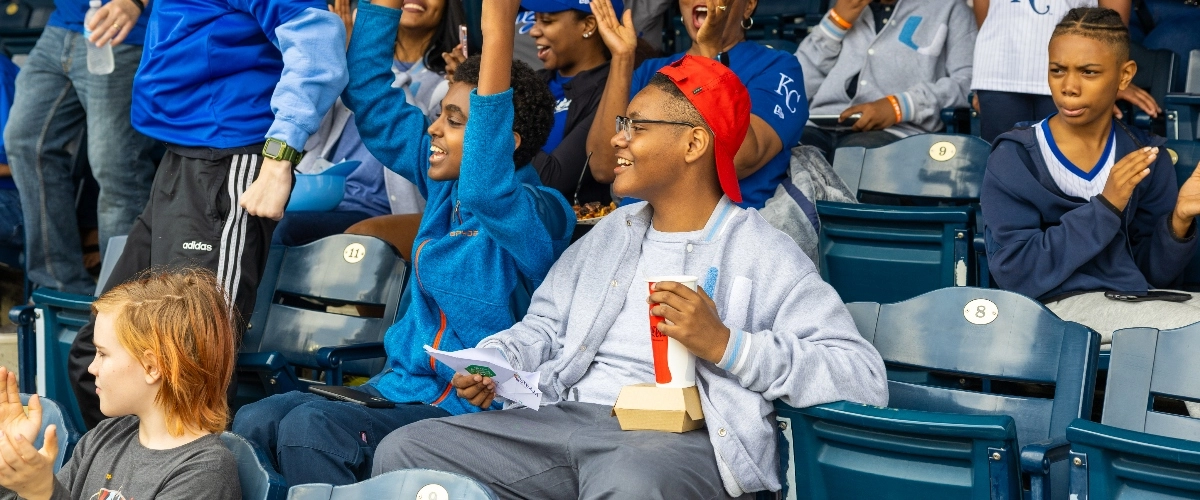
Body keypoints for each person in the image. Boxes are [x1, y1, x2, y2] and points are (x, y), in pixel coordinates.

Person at [372, 54, 888, 499]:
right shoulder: (611, 233)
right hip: (561, 419)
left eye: (636, 127)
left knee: (631, 481)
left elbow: (861, 376)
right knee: (408, 450)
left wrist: (727, 345)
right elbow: (543, 328)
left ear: (693, 144)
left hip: (675, 442)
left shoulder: (762, 251)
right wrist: (496, 363)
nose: (616, 139)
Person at [231, 0, 574, 486]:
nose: (433, 128)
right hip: (398, 389)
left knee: (310, 430)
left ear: (505, 139)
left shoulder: (543, 212)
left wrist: (496, 30)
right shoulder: (444, 188)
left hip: (470, 412)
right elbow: (370, 93)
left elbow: (487, 184)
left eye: (455, 120)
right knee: (256, 420)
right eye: (439, 115)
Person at [66, 0, 349, 428]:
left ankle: (189, 481)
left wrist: (279, 158)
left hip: (229, 162)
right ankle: (127, 478)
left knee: (187, 364)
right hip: (178, 161)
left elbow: (318, 40)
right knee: (96, 353)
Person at [981, 8, 1200, 406]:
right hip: (1047, 313)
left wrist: (1179, 221)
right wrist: (1106, 205)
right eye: (1057, 70)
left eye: (1089, 72)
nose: (1069, 87)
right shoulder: (1016, 156)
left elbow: (1150, 275)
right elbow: (1017, 273)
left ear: (1125, 75)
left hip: (1129, 305)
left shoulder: (1142, 156)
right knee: (1195, 336)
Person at [0, 269, 239, 500]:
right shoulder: (105, 436)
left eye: (103, 354)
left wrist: (43, 493)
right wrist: (9, 463)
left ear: (152, 367)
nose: (91, 368)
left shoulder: (205, 472)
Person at [274, 0, 468, 246]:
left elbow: (421, 148)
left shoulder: (450, 81)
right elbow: (311, 139)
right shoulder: (348, 63)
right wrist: (335, 61)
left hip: (381, 208)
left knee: (286, 228)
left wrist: (360, 59)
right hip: (323, 195)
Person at [586, 0, 807, 210]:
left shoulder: (777, 66)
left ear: (748, 6)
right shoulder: (649, 70)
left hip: (725, 235)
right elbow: (603, 167)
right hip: (636, 226)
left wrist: (707, 51)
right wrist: (622, 57)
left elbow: (737, 161)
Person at [4, 0, 159, 295]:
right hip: (62, 25)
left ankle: (125, 300)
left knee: (114, 164)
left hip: (125, 30)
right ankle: (60, 287)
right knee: (25, 141)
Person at [796, 0, 976, 162]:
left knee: (857, 162)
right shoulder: (845, 6)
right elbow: (794, 82)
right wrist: (835, 23)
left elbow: (968, 83)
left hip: (896, 132)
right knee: (788, 153)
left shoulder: (950, 7)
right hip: (819, 124)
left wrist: (899, 106)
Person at [972, 0, 1161, 143]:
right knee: (1005, 170)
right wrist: (986, 69)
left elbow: (1112, 15)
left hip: (1074, 67)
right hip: (998, 66)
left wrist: (1112, 77)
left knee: (1068, 174)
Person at [520, 0, 622, 204]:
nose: (533, 31)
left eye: (546, 21)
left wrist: (499, 125)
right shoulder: (533, 81)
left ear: (588, 25)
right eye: (535, 20)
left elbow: (551, 179)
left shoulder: (613, 92)